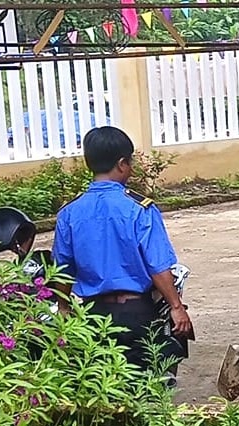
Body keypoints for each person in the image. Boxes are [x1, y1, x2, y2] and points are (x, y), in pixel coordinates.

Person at [52, 126, 193, 373]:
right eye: (130, 163)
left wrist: (63, 309)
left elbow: (62, 270)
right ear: (121, 164)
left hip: (93, 316)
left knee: (104, 390)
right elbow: (157, 265)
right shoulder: (140, 209)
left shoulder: (69, 213)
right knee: (148, 386)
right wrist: (176, 307)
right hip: (137, 314)